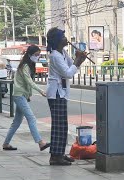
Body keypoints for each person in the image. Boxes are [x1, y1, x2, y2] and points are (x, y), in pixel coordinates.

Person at [46, 27, 87, 165]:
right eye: (63, 36)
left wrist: (79, 59)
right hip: (56, 93)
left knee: (62, 125)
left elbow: (72, 66)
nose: (66, 38)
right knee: (58, 126)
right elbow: (68, 73)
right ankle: (55, 157)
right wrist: (78, 60)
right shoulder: (55, 56)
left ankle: (60, 153)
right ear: (58, 40)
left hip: (61, 93)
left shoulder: (62, 52)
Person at [2, 45, 50, 151]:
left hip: (21, 95)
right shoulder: (25, 66)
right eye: (36, 55)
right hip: (19, 95)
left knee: (17, 122)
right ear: (29, 54)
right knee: (31, 118)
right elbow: (29, 81)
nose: (37, 57)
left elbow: (27, 83)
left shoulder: (28, 65)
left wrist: (28, 95)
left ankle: (6, 143)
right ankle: (40, 143)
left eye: (38, 55)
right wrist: (41, 90)